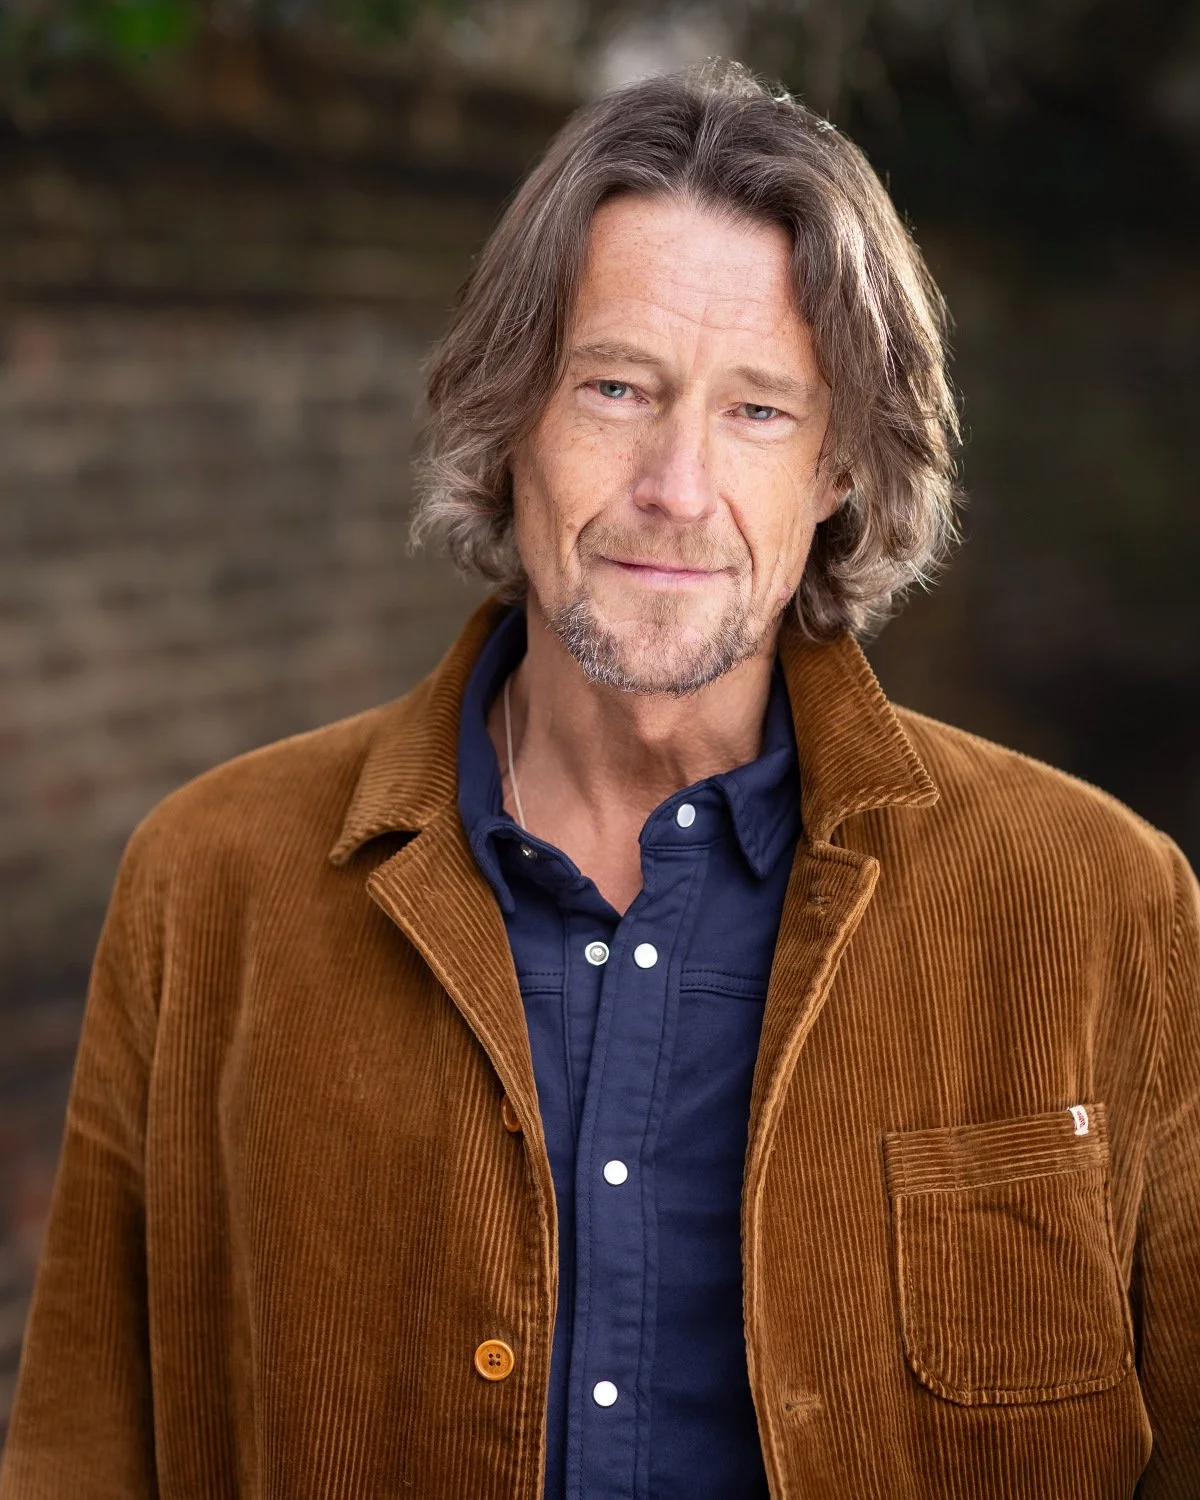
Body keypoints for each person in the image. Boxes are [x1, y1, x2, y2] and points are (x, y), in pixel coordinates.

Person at [2, 60, 1196, 1500]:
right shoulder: (210, 883)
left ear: (840, 473)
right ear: (511, 422)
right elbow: (81, 1450)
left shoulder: (1104, 909)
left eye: (760, 410)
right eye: (617, 387)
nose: (676, 488)